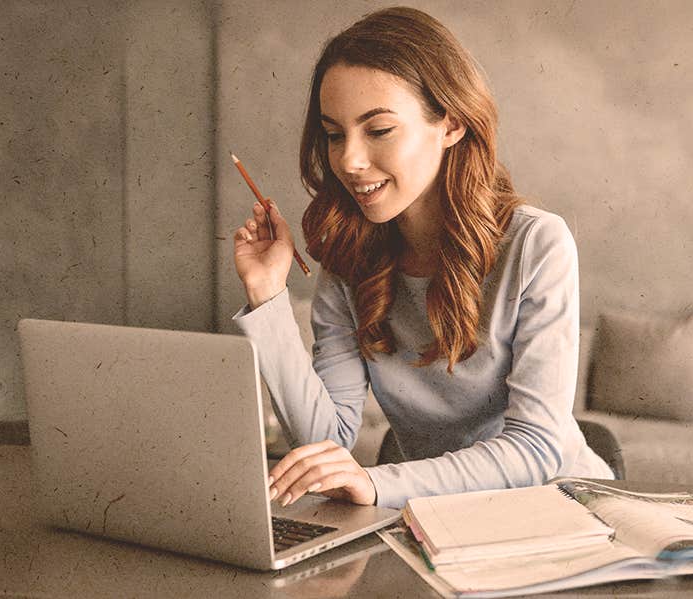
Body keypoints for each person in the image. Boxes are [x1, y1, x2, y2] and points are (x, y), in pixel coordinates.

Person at [231, 6, 613, 510]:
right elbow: (327, 441)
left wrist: (377, 485)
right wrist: (268, 294)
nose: (348, 160)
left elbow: (534, 448)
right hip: (435, 518)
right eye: (334, 133)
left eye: (379, 130)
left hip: (560, 509)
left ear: (450, 124)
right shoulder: (349, 256)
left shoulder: (536, 244)